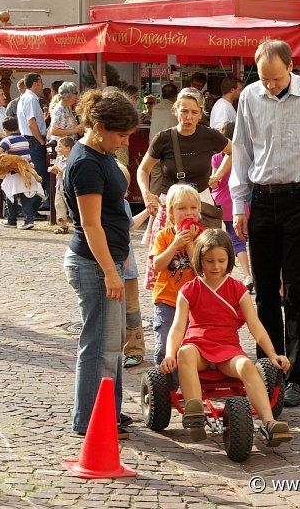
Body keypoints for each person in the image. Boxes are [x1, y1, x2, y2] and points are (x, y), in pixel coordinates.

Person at [230, 39, 300, 407]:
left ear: (291, 67)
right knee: (263, 291)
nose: (270, 86)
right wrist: (240, 204)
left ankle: (296, 376)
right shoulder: (249, 96)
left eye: (276, 79)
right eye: (264, 79)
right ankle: (267, 370)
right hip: (261, 199)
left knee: (296, 292)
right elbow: (241, 150)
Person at [159, 229, 293, 445]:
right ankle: (196, 412)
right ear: (199, 259)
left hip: (227, 350)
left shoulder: (237, 288)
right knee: (185, 353)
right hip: (198, 347)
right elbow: (177, 328)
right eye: (209, 260)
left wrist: (273, 354)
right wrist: (168, 354)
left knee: (247, 365)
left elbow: (255, 326)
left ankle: (269, 422)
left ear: (229, 259)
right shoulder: (189, 289)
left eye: (221, 260)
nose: (215, 266)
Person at [63, 89, 140, 438]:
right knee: (99, 343)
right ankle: (91, 419)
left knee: (113, 342)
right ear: (99, 126)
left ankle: (109, 410)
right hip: (95, 264)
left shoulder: (102, 154)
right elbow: (90, 223)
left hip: (109, 260)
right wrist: (110, 270)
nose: (123, 142)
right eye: (121, 135)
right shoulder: (85, 163)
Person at [137, 87, 232, 290]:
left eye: (194, 112)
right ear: (176, 110)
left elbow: (234, 152)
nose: (188, 117)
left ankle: (205, 301)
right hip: (170, 207)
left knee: (207, 258)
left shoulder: (209, 135)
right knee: (170, 261)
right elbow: (143, 169)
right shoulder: (164, 138)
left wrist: (218, 175)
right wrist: (146, 193)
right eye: (184, 111)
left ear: (201, 113)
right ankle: (168, 306)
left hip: (201, 205)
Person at [150, 184, 203, 366]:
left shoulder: (203, 237)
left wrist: (189, 245)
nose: (189, 213)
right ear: (171, 212)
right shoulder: (164, 235)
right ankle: (165, 386)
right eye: (182, 208)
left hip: (194, 302)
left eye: (193, 208)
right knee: (166, 344)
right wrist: (175, 244)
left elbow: (202, 272)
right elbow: (157, 265)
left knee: (192, 344)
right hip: (167, 299)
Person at [210, 121, 253, 292]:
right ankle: (250, 273)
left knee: (232, 240)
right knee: (245, 240)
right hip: (242, 202)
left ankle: (244, 273)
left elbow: (214, 182)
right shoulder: (243, 155)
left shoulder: (216, 157)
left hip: (221, 202)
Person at [117, 161, 150, 368]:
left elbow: (130, 226)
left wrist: (147, 211)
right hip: (112, 267)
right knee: (113, 312)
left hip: (128, 270)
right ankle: (113, 349)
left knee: (131, 311)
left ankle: (135, 349)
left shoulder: (124, 205)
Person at [0, 116, 42, 230]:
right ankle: (29, 219)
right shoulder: (23, 139)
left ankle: (11, 220)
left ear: (5, 129)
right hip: (27, 169)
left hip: (14, 171)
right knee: (24, 195)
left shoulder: (7, 141)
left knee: (10, 194)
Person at [17, 73, 49, 212]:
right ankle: (30, 209)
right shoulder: (30, 99)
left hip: (31, 139)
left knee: (38, 174)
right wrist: (41, 140)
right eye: (41, 82)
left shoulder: (27, 98)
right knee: (40, 174)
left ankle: (31, 209)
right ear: (35, 83)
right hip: (33, 140)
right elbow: (31, 123)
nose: (42, 85)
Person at [48, 136, 74, 234]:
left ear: (68, 148)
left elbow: (68, 172)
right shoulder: (59, 158)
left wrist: (59, 170)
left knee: (71, 206)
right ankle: (63, 226)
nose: (57, 149)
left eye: (59, 147)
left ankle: (78, 223)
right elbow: (58, 170)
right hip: (59, 186)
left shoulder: (72, 159)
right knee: (58, 205)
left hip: (68, 187)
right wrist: (54, 170)